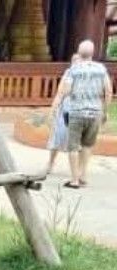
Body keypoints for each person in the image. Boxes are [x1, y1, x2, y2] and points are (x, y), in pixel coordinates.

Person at [51, 39, 112, 189]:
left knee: (73, 146)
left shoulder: (74, 70)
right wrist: (105, 110)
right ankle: (83, 175)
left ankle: (74, 179)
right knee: (87, 145)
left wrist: (57, 104)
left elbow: (65, 90)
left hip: (77, 111)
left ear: (79, 52)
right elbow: (108, 90)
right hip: (94, 112)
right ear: (93, 53)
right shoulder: (101, 69)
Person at [46, 54, 81, 174]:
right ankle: (51, 162)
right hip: (67, 108)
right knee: (59, 135)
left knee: (78, 140)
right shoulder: (68, 73)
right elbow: (60, 92)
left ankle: (77, 170)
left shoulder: (89, 75)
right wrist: (53, 109)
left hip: (81, 110)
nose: (76, 63)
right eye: (74, 61)